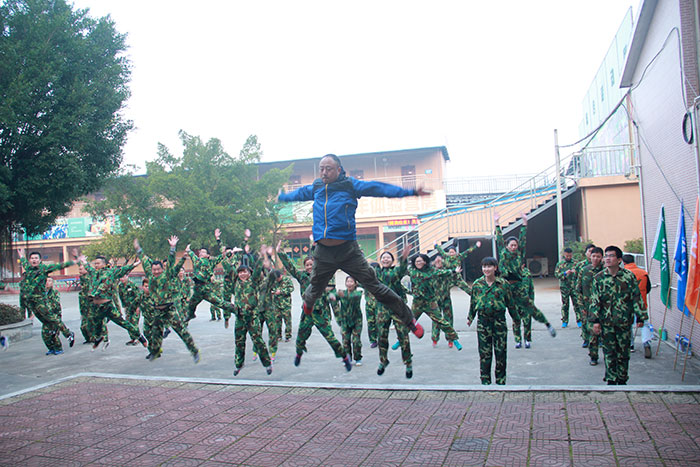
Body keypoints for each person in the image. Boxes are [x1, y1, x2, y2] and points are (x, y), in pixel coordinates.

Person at [276, 153, 428, 339]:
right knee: (314, 287)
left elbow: (378, 188)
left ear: (338, 170)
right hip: (323, 251)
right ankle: (308, 304)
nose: (324, 172)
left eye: (328, 169)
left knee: (376, 288)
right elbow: (300, 193)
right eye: (321, 169)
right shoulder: (317, 186)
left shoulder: (349, 185)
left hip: (348, 250)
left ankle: (410, 320)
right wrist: (283, 197)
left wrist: (408, 192)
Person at [277, 245, 351, 370]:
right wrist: (280, 253)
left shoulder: (323, 276)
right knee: (301, 336)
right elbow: (290, 267)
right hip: (307, 312)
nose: (309, 267)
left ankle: (344, 357)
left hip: (321, 312)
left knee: (330, 337)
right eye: (307, 265)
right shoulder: (302, 277)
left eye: (312, 264)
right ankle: (299, 354)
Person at [494, 213, 556, 349]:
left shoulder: (520, 254)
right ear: (507, 246)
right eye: (511, 245)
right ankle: (517, 339)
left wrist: (524, 224)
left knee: (528, 313)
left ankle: (532, 335)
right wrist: (497, 223)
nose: (514, 247)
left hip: (518, 286)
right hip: (506, 287)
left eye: (515, 245)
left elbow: (523, 240)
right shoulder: (503, 253)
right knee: (514, 316)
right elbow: (499, 239)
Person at [135, 236, 200, 363]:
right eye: (154, 270)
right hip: (157, 310)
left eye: (158, 269)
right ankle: (154, 352)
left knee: (181, 331)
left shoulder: (168, 275)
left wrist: (172, 248)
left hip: (169, 308)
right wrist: (138, 249)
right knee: (155, 334)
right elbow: (143, 259)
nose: (156, 271)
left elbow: (170, 261)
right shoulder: (150, 275)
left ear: (162, 269)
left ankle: (194, 351)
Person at [590, 246, 647, 385]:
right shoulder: (599, 278)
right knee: (609, 352)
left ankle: (622, 379)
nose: (607, 259)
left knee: (623, 353)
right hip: (606, 323)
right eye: (606, 256)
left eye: (611, 256)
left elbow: (636, 297)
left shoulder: (628, 277)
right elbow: (595, 300)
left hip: (624, 322)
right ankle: (610, 379)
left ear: (619, 260)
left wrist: (640, 317)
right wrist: (595, 321)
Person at [76, 253, 146, 350]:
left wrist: (135, 264)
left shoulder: (111, 272)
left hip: (107, 305)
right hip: (95, 306)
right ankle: (100, 338)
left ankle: (139, 336)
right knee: (94, 323)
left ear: (104, 264)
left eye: (98, 263)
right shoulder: (94, 273)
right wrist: (83, 261)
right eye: (95, 263)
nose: (96, 265)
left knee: (122, 322)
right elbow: (87, 267)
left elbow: (123, 270)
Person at [467, 257, 518, 385]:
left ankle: (501, 381)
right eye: (484, 266)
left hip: (499, 321)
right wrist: (470, 317)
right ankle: (485, 381)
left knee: (500, 352)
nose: (486, 269)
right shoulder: (477, 284)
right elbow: (473, 302)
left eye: (489, 266)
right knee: (485, 354)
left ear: (495, 268)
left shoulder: (503, 284)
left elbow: (510, 303)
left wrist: (516, 318)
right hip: (483, 322)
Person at [18, 248, 76, 354]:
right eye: (32, 258)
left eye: (36, 258)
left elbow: (59, 266)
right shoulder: (29, 269)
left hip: (40, 301)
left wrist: (74, 261)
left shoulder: (43, 269)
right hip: (32, 302)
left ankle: (68, 334)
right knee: (46, 322)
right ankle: (53, 347)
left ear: (40, 260)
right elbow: (24, 262)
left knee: (52, 318)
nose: (34, 260)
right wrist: (22, 255)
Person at [408, 253, 463, 350]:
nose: (418, 263)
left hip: (430, 302)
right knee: (410, 321)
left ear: (425, 262)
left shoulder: (431, 271)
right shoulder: (411, 270)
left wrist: (454, 271)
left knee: (440, 321)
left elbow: (442, 272)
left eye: (420, 261)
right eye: (416, 261)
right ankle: (400, 340)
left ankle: (453, 339)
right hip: (417, 302)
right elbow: (399, 271)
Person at [185, 228, 237, 323]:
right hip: (197, 289)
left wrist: (218, 239)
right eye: (200, 252)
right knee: (191, 305)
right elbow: (193, 256)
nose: (201, 253)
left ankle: (237, 310)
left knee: (220, 303)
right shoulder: (197, 260)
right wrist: (188, 251)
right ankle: (190, 315)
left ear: (208, 255)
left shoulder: (211, 261)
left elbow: (223, 254)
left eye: (203, 252)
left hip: (205, 289)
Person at [230, 260, 273, 376]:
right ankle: (239, 364)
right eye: (240, 272)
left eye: (244, 272)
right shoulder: (236, 283)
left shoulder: (253, 282)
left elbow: (258, 269)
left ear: (249, 273)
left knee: (258, 341)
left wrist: (261, 256)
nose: (242, 274)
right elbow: (229, 269)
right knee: (239, 342)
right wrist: (228, 255)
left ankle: (267, 363)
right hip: (240, 318)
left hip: (252, 317)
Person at [376, 249, 414, 378]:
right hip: (382, 308)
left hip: (398, 308)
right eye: (383, 257)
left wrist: (404, 257)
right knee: (381, 337)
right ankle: (383, 361)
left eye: (388, 257)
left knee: (403, 336)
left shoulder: (396, 271)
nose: (385, 259)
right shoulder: (377, 273)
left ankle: (408, 363)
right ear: (380, 260)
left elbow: (403, 268)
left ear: (392, 260)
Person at [576, 247, 604, 364]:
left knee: (605, 333)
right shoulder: (584, 270)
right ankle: (593, 356)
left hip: (604, 308)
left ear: (602, 257)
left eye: (598, 256)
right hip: (589, 308)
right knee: (592, 333)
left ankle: (609, 357)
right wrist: (581, 307)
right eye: (594, 256)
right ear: (590, 257)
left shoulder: (605, 271)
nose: (596, 258)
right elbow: (578, 290)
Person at [622, 254, 652, 358]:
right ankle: (646, 343)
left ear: (623, 262)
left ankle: (630, 345)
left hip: (627, 304)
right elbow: (648, 288)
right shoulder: (643, 273)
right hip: (641, 303)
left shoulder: (623, 273)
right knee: (644, 324)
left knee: (628, 324)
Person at [336, 276, 364, 366]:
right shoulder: (341, 293)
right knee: (345, 341)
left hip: (357, 321)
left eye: (351, 282)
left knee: (356, 341)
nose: (349, 283)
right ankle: (347, 357)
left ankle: (358, 358)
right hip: (345, 320)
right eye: (347, 281)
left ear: (355, 284)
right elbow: (331, 297)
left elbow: (353, 296)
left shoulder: (358, 293)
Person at [43, 277, 73, 355]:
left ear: (52, 283)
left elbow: (55, 304)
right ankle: (51, 348)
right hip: (45, 316)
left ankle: (58, 348)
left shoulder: (54, 292)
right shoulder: (42, 293)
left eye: (49, 281)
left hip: (54, 315)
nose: (47, 282)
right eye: (46, 281)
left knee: (54, 333)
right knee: (45, 333)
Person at [554, 247, 580, 327]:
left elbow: (580, 273)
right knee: (565, 304)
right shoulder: (560, 264)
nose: (568, 257)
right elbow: (556, 274)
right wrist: (564, 274)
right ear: (564, 255)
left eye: (570, 256)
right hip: (564, 287)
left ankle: (579, 320)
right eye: (567, 256)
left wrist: (575, 272)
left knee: (577, 304)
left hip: (574, 287)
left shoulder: (576, 263)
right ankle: (564, 321)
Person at [118, 275, 142, 345]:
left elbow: (138, 296)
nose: (122, 279)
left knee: (134, 322)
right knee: (128, 323)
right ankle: (133, 338)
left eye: (123, 277)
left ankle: (138, 338)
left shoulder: (132, 285)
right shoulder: (120, 286)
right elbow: (121, 296)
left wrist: (138, 307)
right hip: (128, 307)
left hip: (135, 307)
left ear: (127, 276)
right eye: (121, 277)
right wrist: (124, 307)